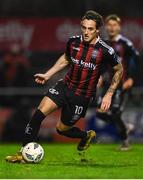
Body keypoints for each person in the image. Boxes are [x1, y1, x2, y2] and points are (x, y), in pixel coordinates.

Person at [5, 10, 123, 163]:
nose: (86, 32)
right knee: (37, 115)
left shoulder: (106, 50)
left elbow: (119, 70)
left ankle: (85, 135)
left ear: (97, 30)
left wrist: (109, 93)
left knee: (61, 129)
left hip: (81, 96)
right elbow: (66, 58)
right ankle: (23, 153)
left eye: (90, 29)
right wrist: (48, 74)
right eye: (84, 28)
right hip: (64, 86)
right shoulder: (73, 42)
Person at [96, 14, 138, 150]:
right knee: (100, 113)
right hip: (108, 85)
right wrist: (100, 76)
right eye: (109, 25)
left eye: (114, 25)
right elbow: (102, 65)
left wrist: (132, 77)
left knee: (115, 112)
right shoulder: (103, 44)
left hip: (122, 84)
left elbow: (137, 61)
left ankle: (125, 143)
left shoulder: (126, 44)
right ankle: (126, 127)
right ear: (106, 27)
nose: (112, 27)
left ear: (119, 27)